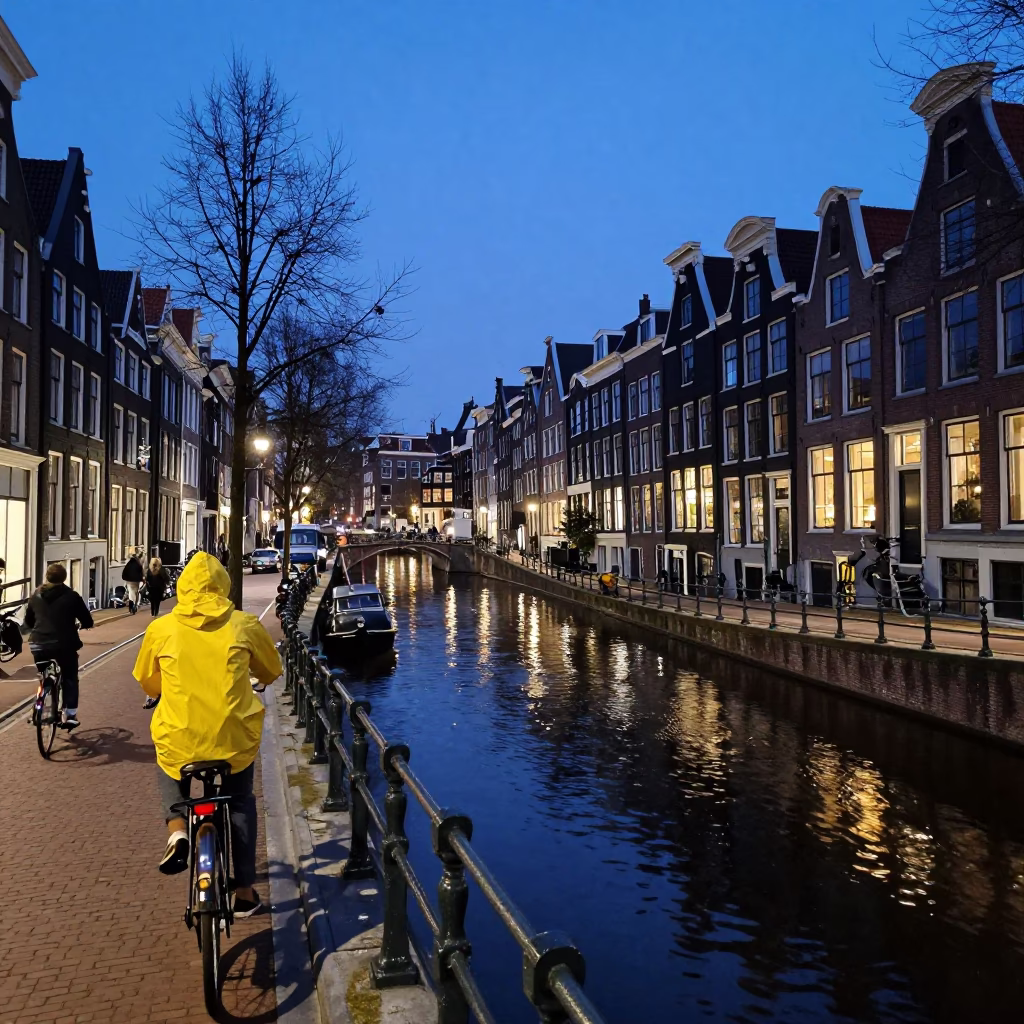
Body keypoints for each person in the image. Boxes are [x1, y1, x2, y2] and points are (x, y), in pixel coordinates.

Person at [133, 553, 282, 917]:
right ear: (224, 584)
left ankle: (177, 830)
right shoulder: (243, 624)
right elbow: (272, 670)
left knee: (168, 761)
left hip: (181, 737)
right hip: (233, 741)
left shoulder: (161, 628)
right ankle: (244, 891)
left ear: (182, 587)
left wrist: (165, 689)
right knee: (241, 799)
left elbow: (147, 679)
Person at [22, 563, 94, 729]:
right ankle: (70, 715)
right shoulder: (72, 596)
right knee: (69, 677)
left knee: (44, 674)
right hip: (64, 645)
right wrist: (84, 625)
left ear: (47, 577)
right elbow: (87, 620)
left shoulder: (36, 595)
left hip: (38, 645)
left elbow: (29, 622)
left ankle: (41, 698)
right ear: (64, 578)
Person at [121, 550, 145, 614]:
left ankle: (131, 607)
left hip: (129, 581)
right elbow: (141, 573)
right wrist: (141, 579)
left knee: (130, 593)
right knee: (136, 593)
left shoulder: (128, 564)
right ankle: (135, 605)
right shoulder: (138, 564)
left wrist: (125, 578)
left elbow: (124, 572)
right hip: (136, 581)